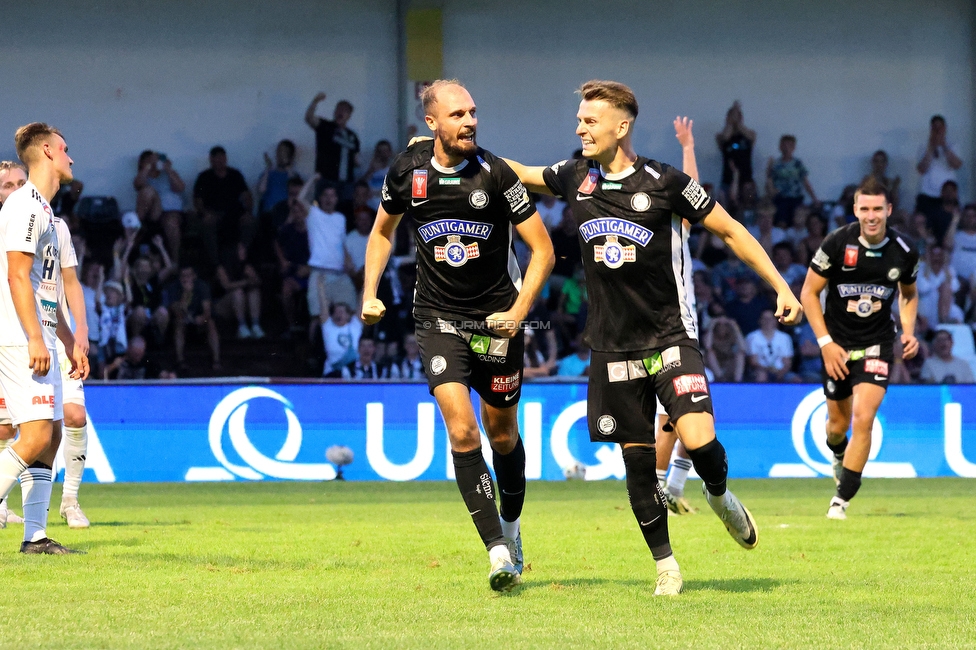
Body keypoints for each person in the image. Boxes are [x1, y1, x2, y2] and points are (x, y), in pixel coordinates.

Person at [504, 80, 803, 596]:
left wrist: (780, 285)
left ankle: (718, 492)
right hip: (611, 346)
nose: (580, 128)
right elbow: (523, 175)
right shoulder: (575, 175)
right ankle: (666, 565)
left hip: (670, 334)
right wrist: (454, 147)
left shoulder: (666, 183)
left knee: (699, 438)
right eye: (579, 120)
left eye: (590, 120)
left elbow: (730, 230)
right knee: (637, 465)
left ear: (622, 126)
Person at [362, 80, 554, 592]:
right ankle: (497, 553)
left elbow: (544, 250)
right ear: (432, 123)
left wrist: (517, 312)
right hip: (438, 319)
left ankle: (511, 531)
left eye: (473, 112)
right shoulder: (408, 170)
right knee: (463, 432)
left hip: (497, 322)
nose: (470, 121)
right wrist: (369, 292)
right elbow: (382, 231)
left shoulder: (497, 175)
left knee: (502, 436)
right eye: (458, 114)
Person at [800, 178, 919, 520]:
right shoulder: (837, 243)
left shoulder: (905, 251)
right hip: (836, 345)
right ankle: (838, 456)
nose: (871, 216)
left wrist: (908, 331)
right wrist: (825, 344)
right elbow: (808, 293)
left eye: (877, 209)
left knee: (864, 418)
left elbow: (908, 294)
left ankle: (841, 501)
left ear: (889, 211)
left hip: (878, 344)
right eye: (865, 209)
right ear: (855, 210)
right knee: (837, 427)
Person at [0, 123, 89, 552]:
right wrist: (35, 338)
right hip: (21, 337)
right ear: (49, 152)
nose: (71, 158)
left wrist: (67, 339)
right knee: (32, 436)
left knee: (50, 437)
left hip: (45, 336)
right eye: (66, 149)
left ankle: (34, 535)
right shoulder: (24, 207)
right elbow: (17, 275)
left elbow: (45, 288)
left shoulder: (47, 213)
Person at [299, 177, 357, 334]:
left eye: (332, 195)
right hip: (319, 274)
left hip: (339, 274)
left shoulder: (341, 218)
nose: (329, 199)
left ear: (337, 199)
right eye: (325, 195)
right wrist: (312, 179)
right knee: (317, 318)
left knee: (350, 312)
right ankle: (313, 355)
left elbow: (342, 244)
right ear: (320, 197)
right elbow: (300, 198)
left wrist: (348, 262)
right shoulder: (313, 214)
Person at [192, 146, 254, 268]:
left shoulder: (235, 175)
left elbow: (247, 196)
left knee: (251, 222)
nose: (220, 161)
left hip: (235, 213)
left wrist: (248, 211)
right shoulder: (204, 177)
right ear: (211, 159)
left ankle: (242, 256)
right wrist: (204, 213)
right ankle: (216, 265)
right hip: (213, 213)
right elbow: (197, 200)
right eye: (217, 158)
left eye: (222, 158)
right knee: (207, 224)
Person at [164, 266, 221, 372]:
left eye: (188, 276)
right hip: (183, 320)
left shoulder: (202, 286)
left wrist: (202, 318)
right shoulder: (174, 288)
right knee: (179, 323)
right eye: (183, 276)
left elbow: (207, 311)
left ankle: (216, 360)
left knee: (211, 323)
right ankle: (180, 361)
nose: (185, 279)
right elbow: (176, 312)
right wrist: (186, 294)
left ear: (194, 276)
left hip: (200, 320)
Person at [305, 93, 360, 199]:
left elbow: (355, 160)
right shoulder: (325, 126)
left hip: (346, 183)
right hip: (326, 180)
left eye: (345, 110)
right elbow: (309, 118)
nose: (341, 112)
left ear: (349, 115)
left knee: (344, 211)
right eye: (338, 109)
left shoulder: (353, 136)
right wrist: (315, 101)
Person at [134, 150, 185, 262]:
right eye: (148, 160)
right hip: (153, 212)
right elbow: (137, 185)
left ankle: (175, 262)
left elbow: (180, 188)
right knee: (148, 191)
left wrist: (168, 170)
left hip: (171, 212)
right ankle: (138, 226)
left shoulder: (169, 174)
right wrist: (147, 166)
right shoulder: (143, 176)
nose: (153, 163)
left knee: (172, 223)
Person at [916, 115, 963, 219]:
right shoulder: (923, 147)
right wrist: (931, 148)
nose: (937, 131)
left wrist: (944, 146)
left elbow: (957, 165)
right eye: (934, 128)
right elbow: (921, 169)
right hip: (927, 194)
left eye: (940, 127)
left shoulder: (953, 145)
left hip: (948, 195)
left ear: (945, 128)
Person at [766, 135, 818, 227]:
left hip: (795, 198)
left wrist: (814, 199)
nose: (786, 148)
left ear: (794, 147)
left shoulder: (798, 163)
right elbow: (769, 181)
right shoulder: (775, 164)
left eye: (789, 145)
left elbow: (805, 182)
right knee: (781, 223)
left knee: (797, 223)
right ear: (780, 146)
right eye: (784, 145)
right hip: (780, 199)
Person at [716, 101, 756, 200]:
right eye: (732, 117)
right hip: (727, 180)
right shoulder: (720, 136)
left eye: (737, 117)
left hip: (746, 182)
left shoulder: (749, 134)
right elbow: (725, 137)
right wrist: (731, 122)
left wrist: (737, 120)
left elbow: (750, 136)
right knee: (725, 211)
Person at [745, 309, 796, 382]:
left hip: (781, 371)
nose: (767, 321)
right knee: (761, 376)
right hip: (760, 371)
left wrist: (780, 372)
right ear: (760, 321)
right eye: (765, 319)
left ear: (775, 321)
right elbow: (753, 362)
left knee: (795, 380)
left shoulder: (785, 338)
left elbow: (787, 362)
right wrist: (769, 370)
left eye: (770, 319)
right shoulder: (752, 337)